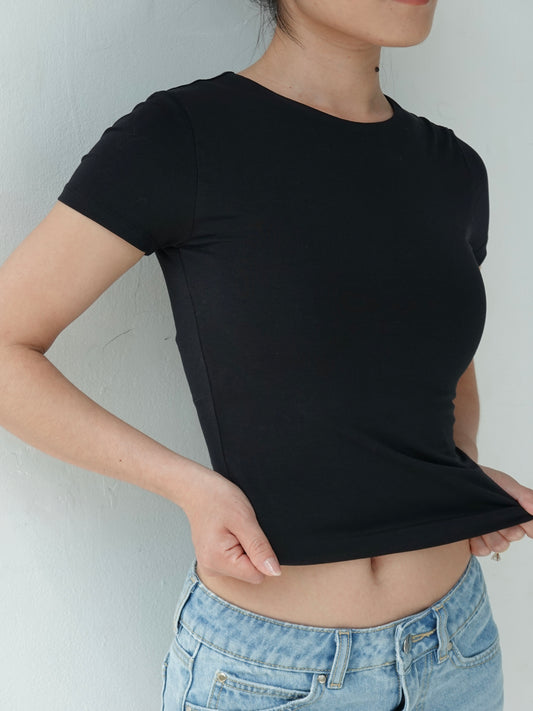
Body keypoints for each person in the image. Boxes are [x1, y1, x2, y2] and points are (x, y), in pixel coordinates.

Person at [1, 1, 532, 709]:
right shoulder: (181, 137)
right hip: (271, 672)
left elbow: (440, 359)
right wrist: (191, 488)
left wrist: (456, 471)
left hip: (456, 647)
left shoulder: (453, 168)